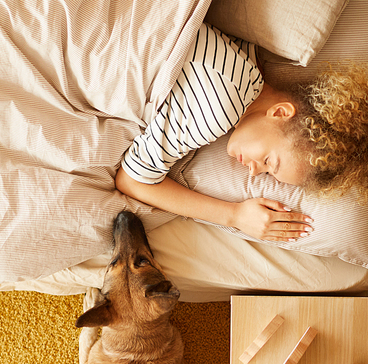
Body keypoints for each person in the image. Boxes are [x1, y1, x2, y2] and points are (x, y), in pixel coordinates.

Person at [115, 24, 368, 243]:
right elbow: (131, 180)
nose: (254, 171)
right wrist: (234, 216)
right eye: (269, 162)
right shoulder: (220, 108)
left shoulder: (246, 62)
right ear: (280, 112)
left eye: (268, 174)